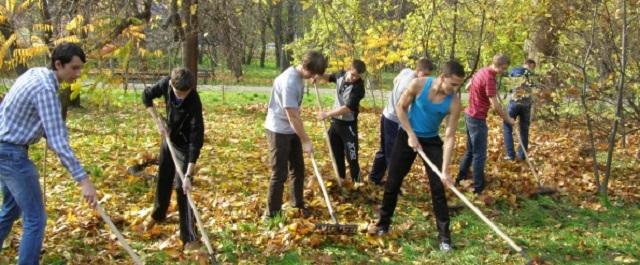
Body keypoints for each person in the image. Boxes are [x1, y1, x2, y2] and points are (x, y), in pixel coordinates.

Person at [0, 42, 98, 264]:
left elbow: (12, 107)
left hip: (4, 150)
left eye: (80, 68)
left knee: (10, 209)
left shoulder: (35, 74)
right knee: (36, 218)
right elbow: (58, 141)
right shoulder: (45, 89)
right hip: (12, 156)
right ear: (58, 64)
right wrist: (83, 180)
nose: (78, 73)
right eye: (74, 68)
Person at [368, 61, 466, 252]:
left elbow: (450, 135)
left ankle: (445, 238)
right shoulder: (419, 84)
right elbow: (400, 107)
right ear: (442, 77)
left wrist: (445, 170)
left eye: (459, 85)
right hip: (407, 135)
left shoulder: (453, 102)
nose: (456, 89)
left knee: (438, 189)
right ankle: (383, 224)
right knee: (392, 183)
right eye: (453, 84)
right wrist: (411, 134)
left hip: (431, 141)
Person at [140, 68, 204, 251]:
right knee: (164, 179)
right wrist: (158, 121)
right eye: (178, 93)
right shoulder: (165, 84)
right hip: (169, 139)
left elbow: (196, 138)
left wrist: (189, 174)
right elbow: (146, 96)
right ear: (171, 85)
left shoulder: (193, 101)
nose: (182, 97)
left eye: (186, 93)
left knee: (183, 188)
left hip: (185, 146)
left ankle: (189, 236)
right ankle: (158, 215)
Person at [264, 51, 327, 218]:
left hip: (291, 128)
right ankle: (271, 215)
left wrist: (313, 77)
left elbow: (294, 118)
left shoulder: (299, 74)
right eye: (312, 73)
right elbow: (292, 115)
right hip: (278, 130)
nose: (313, 76)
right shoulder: (289, 82)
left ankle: (297, 204)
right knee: (279, 173)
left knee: (298, 169)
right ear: (306, 67)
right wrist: (305, 140)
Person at [456, 54, 516, 194]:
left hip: (469, 114)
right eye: (504, 68)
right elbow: (495, 106)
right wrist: (508, 119)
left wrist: (480, 92)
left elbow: (467, 87)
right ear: (499, 65)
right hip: (477, 118)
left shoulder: (482, 71)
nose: (504, 71)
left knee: (471, 150)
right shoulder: (489, 78)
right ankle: (478, 187)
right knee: (479, 154)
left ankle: (460, 177)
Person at [369, 58, 435, 185]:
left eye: (428, 76)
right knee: (393, 154)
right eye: (425, 75)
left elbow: (395, 80)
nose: (426, 78)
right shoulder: (410, 86)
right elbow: (405, 110)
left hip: (386, 115)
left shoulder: (406, 71)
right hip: (393, 120)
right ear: (418, 70)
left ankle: (374, 178)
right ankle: (392, 185)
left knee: (384, 150)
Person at [316, 59, 367, 183]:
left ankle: (358, 183)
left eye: (357, 76)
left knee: (352, 157)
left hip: (348, 126)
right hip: (335, 124)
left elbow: (347, 108)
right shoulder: (340, 75)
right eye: (353, 74)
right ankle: (341, 180)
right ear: (349, 69)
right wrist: (317, 75)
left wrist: (326, 114)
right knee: (336, 154)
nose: (354, 78)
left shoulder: (359, 88)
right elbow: (329, 77)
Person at [503, 59, 537, 161]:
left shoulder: (515, 70)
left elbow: (510, 85)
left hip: (515, 103)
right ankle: (522, 155)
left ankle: (510, 155)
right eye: (533, 66)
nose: (533, 69)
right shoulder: (527, 73)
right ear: (529, 64)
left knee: (507, 126)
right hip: (526, 105)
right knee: (524, 130)